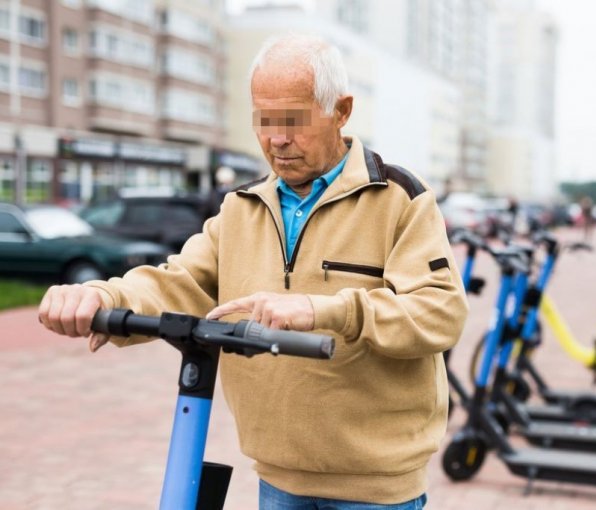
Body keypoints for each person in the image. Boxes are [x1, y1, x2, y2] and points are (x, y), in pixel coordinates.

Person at [38, 34, 468, 509]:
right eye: (264, 120)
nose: (276, 139)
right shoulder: (241, 206)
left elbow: (439, 312)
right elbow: (179, 282)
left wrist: (325, 310)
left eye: (293, 121)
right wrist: (103, 297)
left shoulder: (398, 197)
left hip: (376, 487)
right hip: (278, 478)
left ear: (342, 111)